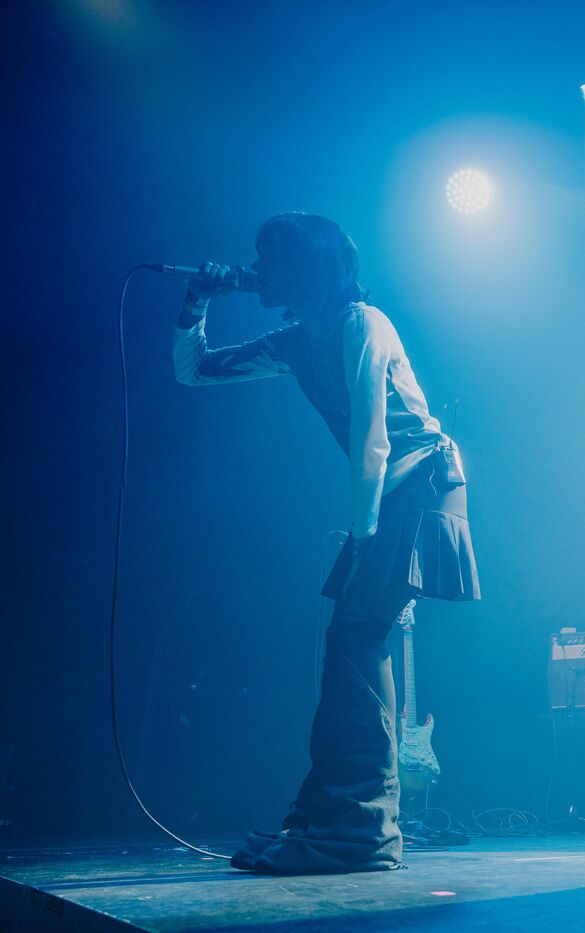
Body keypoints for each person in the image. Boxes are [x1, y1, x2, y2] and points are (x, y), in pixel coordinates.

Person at [173, 212, 480, 873]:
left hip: (421, 486)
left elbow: (373, 439)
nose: (258, 267)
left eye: (271, 256)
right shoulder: (294, 341)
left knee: (355, 642)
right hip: (389, 498)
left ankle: (360, 829)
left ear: (308, 264)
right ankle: (335, 819)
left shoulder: (362, 323)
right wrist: (197, 300)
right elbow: (194, 371)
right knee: (350, 646)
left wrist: (364, 537)